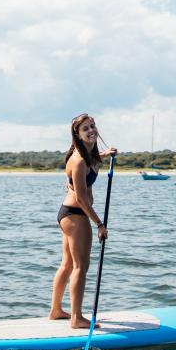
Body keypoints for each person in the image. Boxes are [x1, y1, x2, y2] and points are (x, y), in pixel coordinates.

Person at [50, 113, 117, 328]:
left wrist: (107, 153)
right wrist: (99, 223)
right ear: (77, 135)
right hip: (75, 215)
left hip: (69, 215)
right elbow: (80, 198)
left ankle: (56, 310)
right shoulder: (78, 160)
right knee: (81, 266)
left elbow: (95, 160)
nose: (91, 131)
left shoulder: (90, 154)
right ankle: (77, 318)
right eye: (86, 129)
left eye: (93, 126)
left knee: (68, 264)